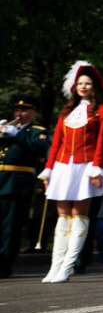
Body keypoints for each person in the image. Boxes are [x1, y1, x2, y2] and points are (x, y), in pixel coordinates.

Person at [39, 61, 103, 283]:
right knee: (62, 217)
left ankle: (68, 266)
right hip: (62, 166)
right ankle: (55, 265)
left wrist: (97, 167)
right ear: (74, 86)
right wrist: (49, 170)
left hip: (86, 167)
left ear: (94, 86)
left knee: (79, 215)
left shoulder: (102, 110)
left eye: (87, 83)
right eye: (80, 83)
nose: (83, 86)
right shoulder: (66, 111)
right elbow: (56, 144)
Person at [0, 93, 49, 279]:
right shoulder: (7, 128)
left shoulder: (37, 131)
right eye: (17, 109)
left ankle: (4, 264)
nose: (19, 113)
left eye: (24, 110)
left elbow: (38, 147)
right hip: (1, 181)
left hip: (17, 184)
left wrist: (18, 134)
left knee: (10, 228)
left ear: (33, 113)